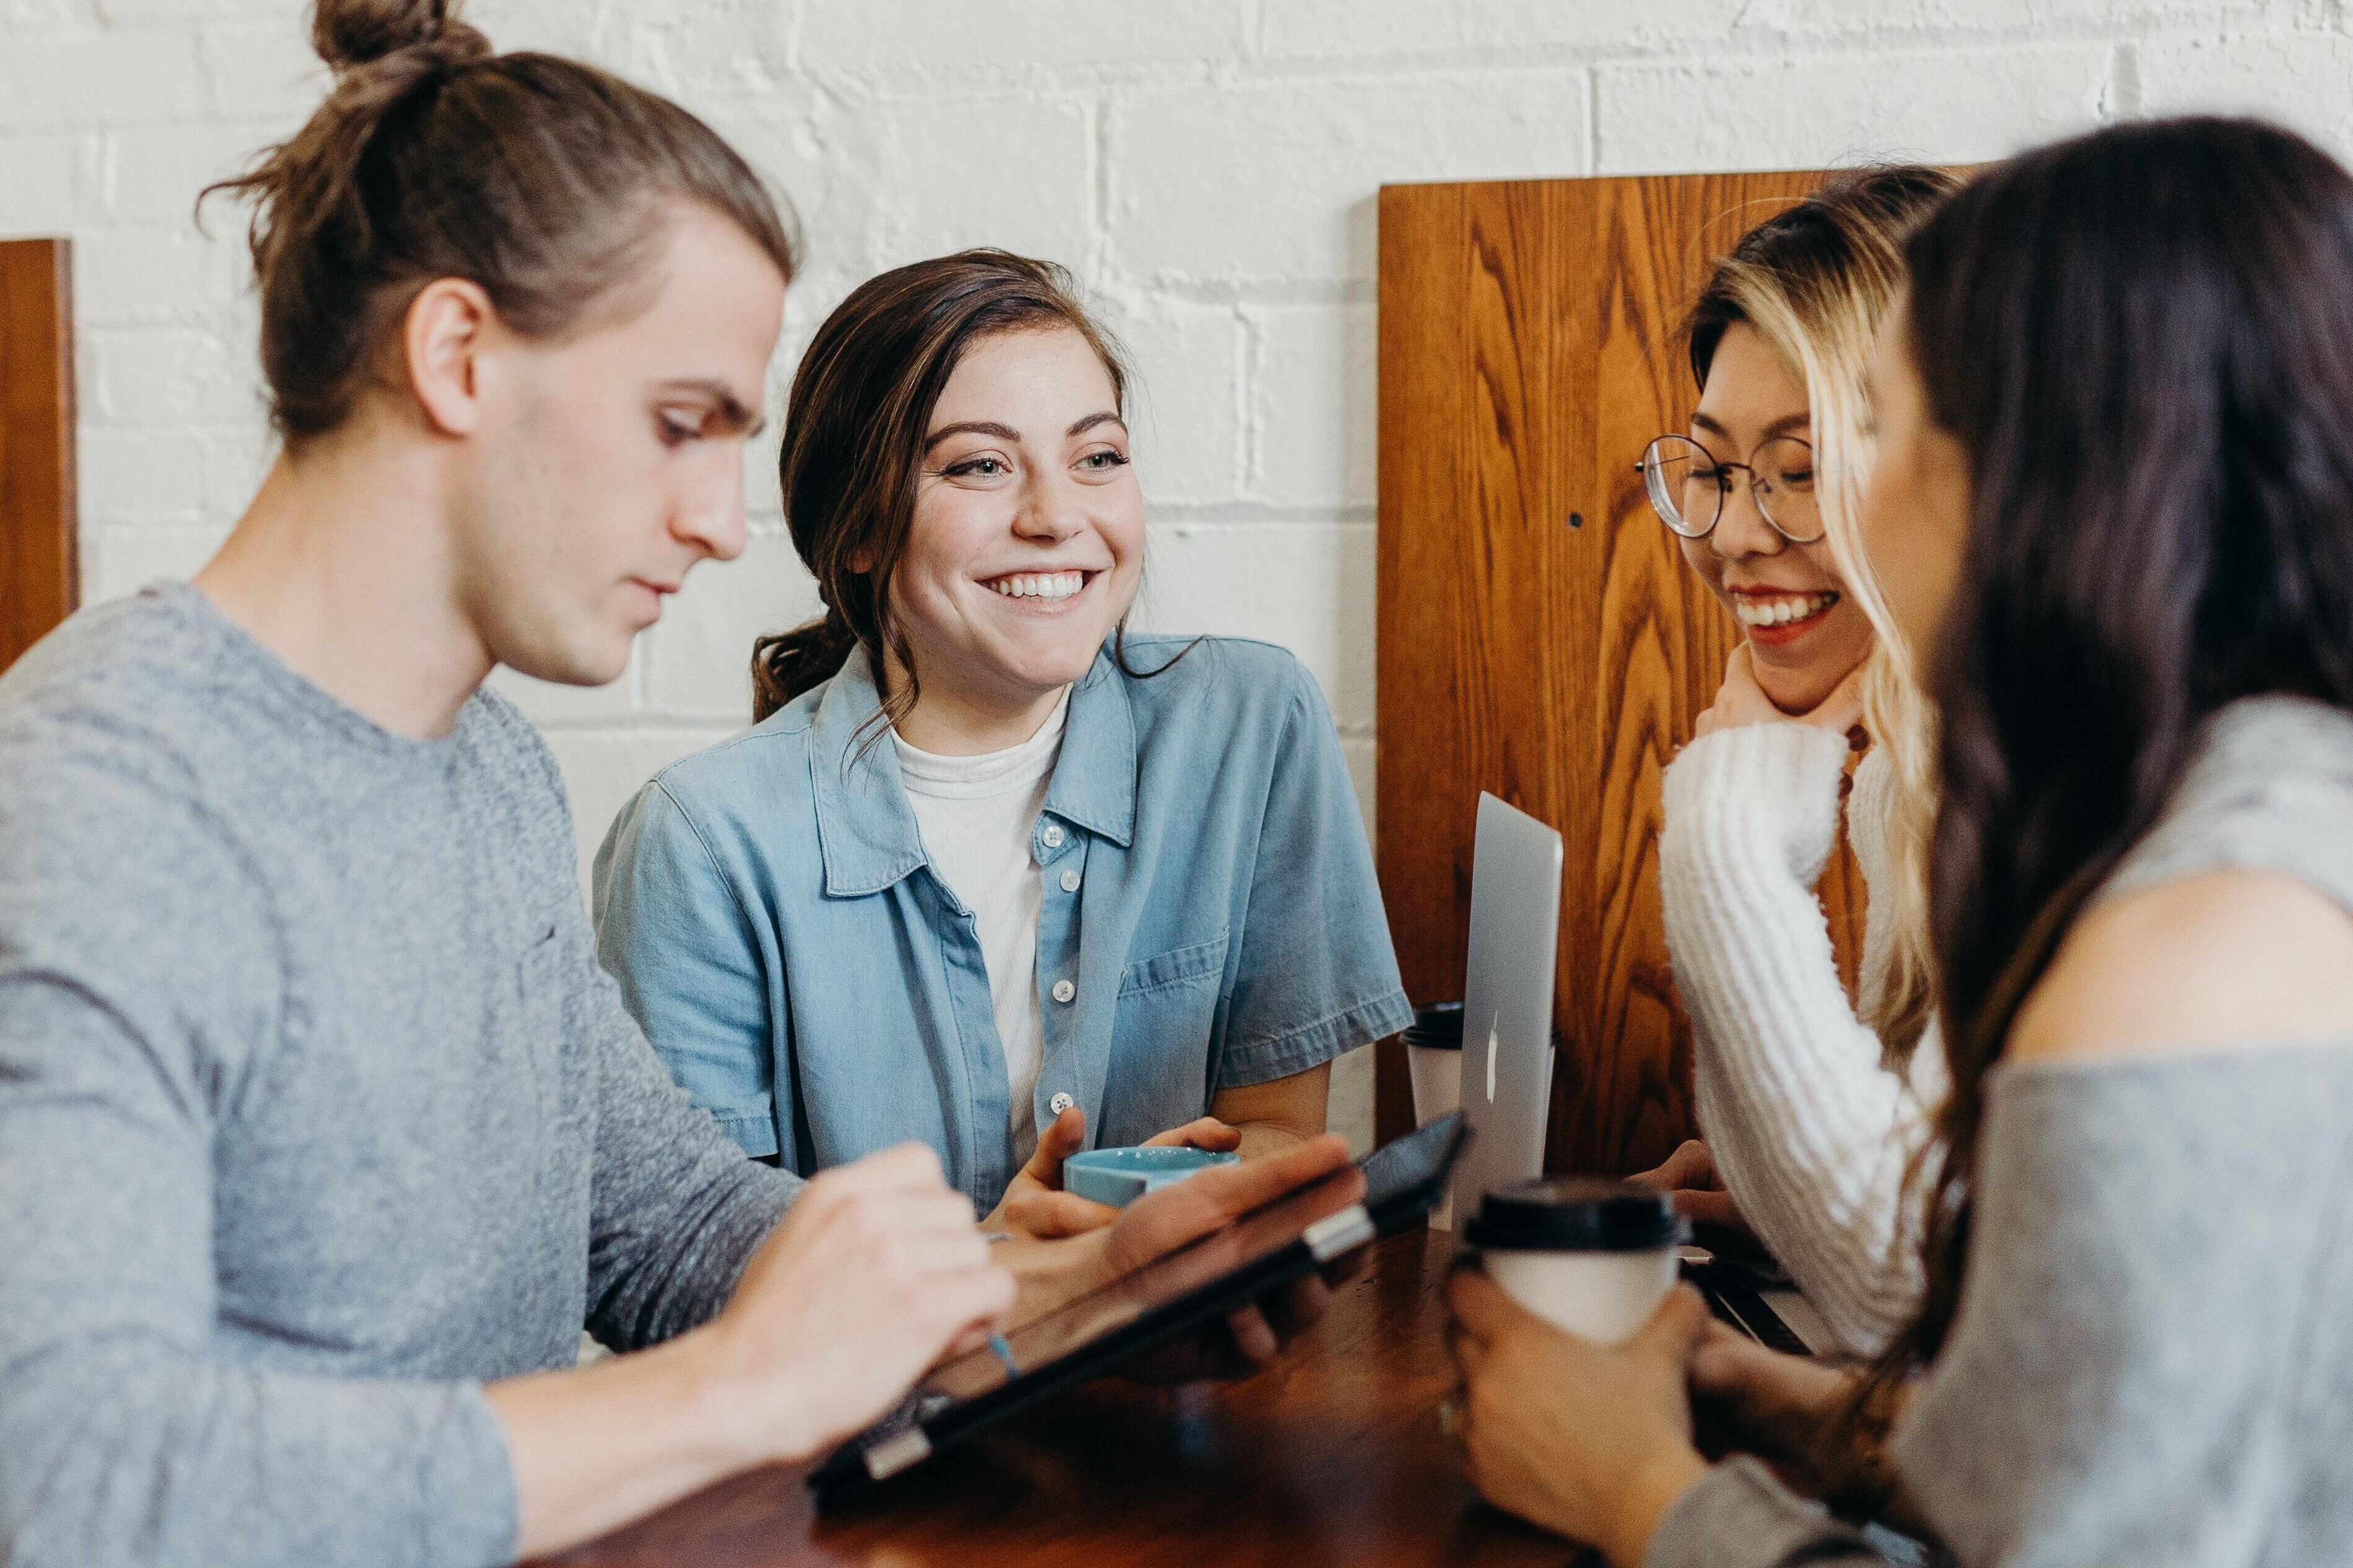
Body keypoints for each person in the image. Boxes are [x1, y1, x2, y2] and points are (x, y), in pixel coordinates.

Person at [0, 7, 1353, 1565]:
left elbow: (658, 1221)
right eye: (676, 425)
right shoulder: (100, 803)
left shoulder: (481, 764)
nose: (723, 523)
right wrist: (737, 1389)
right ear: (456, 358)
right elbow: (68, 1475)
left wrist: (1047, 1303)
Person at [1447, 116, 2353, 1567]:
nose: (1779, 521)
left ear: (2049, 468)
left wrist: (1637, 1494)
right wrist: (1812, 1420)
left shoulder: (2192, 939)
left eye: (1887, 422)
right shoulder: (2248, 808)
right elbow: (2097, 1455)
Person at [594, 249, 1411, 1234]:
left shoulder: (1248, 726)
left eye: (1096, 457)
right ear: (854, 529)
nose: (1056, 516)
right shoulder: (700, 843)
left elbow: (1277, 1133)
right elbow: (699, 1265)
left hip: (1180, 1368)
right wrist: (1008, 1273)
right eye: (980, 465)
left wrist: (1146, 1221)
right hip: (882, 1388)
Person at [1631, 168, 1958, 1356]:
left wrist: (1724, 835)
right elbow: (1919, 1243)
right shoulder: (1907, 775)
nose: (1730, 533)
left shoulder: (2049, 786)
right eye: (1712, 467)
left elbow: (1901, 1292)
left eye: (1802, 467)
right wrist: (1778, 1193)